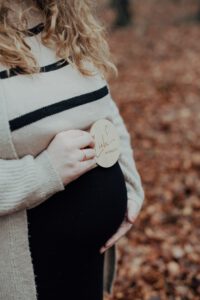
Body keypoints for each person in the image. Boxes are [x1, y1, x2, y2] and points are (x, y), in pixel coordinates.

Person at [0, 1, 145, 299]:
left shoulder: (62, 18)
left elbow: (104, 108)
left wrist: (130, 184)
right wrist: (41, 173)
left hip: (86, 265)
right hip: (27, 275)